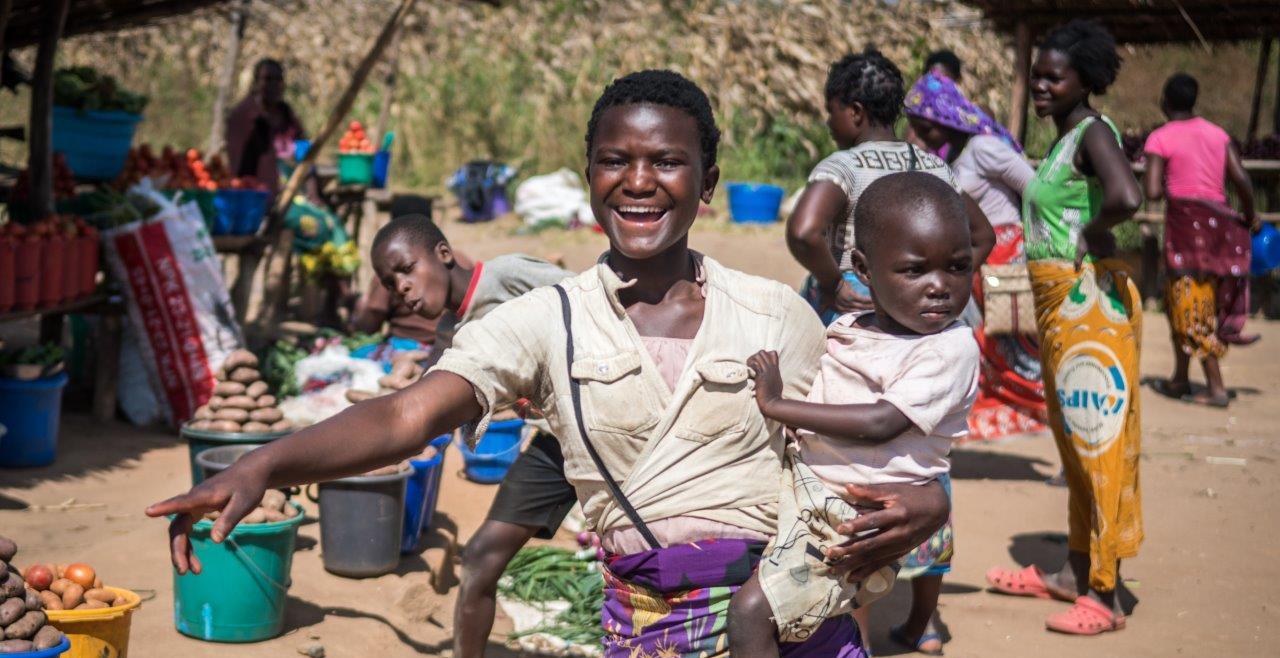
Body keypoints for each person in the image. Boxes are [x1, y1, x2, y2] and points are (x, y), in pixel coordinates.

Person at [148, 70, 951, 657]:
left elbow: (865, 451)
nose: (638, 182)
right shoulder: (546, 320)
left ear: (708, 177)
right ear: (591, 173)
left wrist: (926, 508)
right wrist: (266, 462)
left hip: (793, 628)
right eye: (615, 160)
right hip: (652, 631)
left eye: (667, 161)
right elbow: (406, 415)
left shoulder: (775, 311)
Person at [727, 173, 980, 658]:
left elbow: (881, 423)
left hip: (850, 515)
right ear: (863, 269)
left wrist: (778, 406)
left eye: (957, 267)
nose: (939, 288)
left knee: (750, 614)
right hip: (808, 488)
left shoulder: (949, 349)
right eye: (915, 271)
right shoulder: (852, 326)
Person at [985, 20, 1144, 636]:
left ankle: (1106, 595)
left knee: (1100, 447)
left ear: (1086, 80)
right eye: (1038, 75)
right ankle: (1073, 574)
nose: (1042, 85)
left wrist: (1089, 231)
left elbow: (1126, 196)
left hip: (1088, 310)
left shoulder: (1093, 132)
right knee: (1076, 447)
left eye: (1055, 76)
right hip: (1061, 310)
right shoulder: (1063, 141)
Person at [788, 49, 995, 327]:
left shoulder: (844, 167)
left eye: (831, 112)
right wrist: (951, 280)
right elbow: (983, 236)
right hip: (918, 316)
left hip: (854, 313)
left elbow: (803, 232)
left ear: (855, 112)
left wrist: (834, 284)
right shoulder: (933, 167)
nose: (828, 123)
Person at [905, 73, 1049, 440]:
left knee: (1017, 345)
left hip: (1009, 256)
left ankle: (1052, 420)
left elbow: (1035, 191)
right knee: (993, 347)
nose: (919, 137)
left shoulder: (984, 149)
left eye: (925, 129)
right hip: (982, 261)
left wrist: (1033, 249)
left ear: (945, 122)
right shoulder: (955, 158)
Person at [1143, 73, 1261, 408]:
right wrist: (1250, 215)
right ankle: (1180, 378)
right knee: (1191, 301)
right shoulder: (1217, 134)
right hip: (1221, 231)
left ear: (1165, 102)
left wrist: (1171, 185)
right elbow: (1241, 178)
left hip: (1186, 233)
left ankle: (1216, 387)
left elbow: (1151, 191)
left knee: (1186, 303)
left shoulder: (1160, 138)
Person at [226, 59, 305, 196]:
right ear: (256, 83)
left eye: (278, 80)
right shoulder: (245, 115)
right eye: (267, 79)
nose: (273, 85)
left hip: (293, 193)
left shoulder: (286, 114)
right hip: (258, 195)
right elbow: (238, 166)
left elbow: (304, 151)